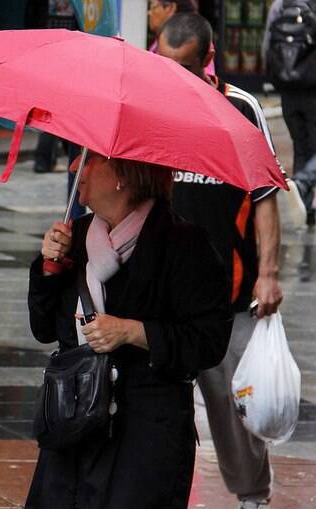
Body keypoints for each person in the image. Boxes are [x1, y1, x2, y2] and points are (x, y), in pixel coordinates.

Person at [26, 153, 232, 508]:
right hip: (75, 420)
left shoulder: (185, 244)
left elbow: (208, 341)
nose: (76, 166)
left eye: (89, 160)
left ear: (124, 174)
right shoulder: (74, 238)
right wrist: (49, 268)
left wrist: (133, 331)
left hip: (146, 432)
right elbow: (44, 329)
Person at [158, 13, 284, 508]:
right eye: (164, 64)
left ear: (206, 60)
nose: (173, 76)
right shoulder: (153, 108)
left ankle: (252, 497)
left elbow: (266, 195)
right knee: (154, 411)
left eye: (183, 67)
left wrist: (269, 275)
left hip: (228, 295)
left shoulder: (240, 108)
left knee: (236, 411)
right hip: (163, 297)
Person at [264, 0, 316, 224]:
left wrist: (275, 77)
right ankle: (304, 184)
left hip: (288, 89)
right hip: (313, 87)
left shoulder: (280, 4)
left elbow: (267, 45)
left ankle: (304, 206)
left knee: (301, 146)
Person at [147, 0, 216, 75]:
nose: (149, 13)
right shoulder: (158, 42)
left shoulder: (197, 43)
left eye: (152, 6)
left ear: (170, 8)